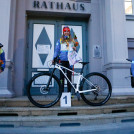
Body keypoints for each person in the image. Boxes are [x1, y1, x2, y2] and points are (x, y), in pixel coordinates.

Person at [53, 26, 79, 93]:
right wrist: (54, 58)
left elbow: (76, 51)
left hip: (70, 61)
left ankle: (69, 92)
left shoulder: (72, 40)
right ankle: (61, 93)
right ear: (63, 32)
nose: (66, 32)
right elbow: (57, 50)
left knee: (69, 77)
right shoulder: (60, 40)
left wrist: (75, 49)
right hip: (62, 60)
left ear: (69, 32)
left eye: (68, 31)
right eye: (65, 31)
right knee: (62, 77)